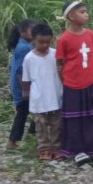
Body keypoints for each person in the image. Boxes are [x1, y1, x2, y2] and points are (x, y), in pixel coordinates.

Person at [56, 1, 93, 165]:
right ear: (71, 16)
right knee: (76, 118)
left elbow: (92, 55)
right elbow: (60, 63)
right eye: (82, 12)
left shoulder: (91, 34)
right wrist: (65, 81)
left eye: (86, 11)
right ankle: (78, 151)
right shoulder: (64, 39)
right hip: (73, 83)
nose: (86, 14)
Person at [21, 23, 62, 161]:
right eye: (41, 42)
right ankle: (44, 149)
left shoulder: (55, 54)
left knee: (57, 125)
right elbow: (25, 79)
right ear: (33, 40)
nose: (44, 45)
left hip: (56, 96)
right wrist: (25, 92)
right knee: (41, 126)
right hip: (38, 99)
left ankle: (57, 148)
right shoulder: (29, 58)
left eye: (47, 42)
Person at [6, 19, 37, 150]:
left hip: (21, 86)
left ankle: (28, 138)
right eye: (32, 30)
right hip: (23, 87)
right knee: (29, 112)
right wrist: (26, 90)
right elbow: (20, 70)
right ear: (22, 32)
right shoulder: (24, 48)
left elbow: (11, 66)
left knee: (28, 113)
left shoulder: (23, 45)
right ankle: (15, 141)